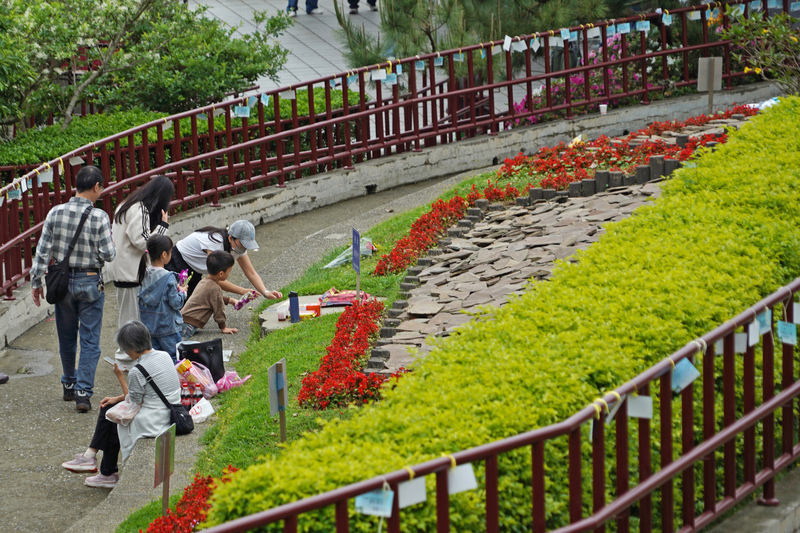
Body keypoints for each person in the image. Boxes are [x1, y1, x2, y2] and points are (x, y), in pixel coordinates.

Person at [30, 166, 116, 413]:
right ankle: (83, 393)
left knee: (66, 337)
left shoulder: (55, 212)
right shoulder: (99, 216)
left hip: (62, 284)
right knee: (90, 340)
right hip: (90, 282)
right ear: (97, 186)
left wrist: (36, 283)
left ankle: (68, 384)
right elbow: (109, 255)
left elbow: (42, 252)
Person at [61, 321, 181, 488]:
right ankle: (101, 466)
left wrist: (120, 376)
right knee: (110, 410)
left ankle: (100, 465)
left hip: (155, 419)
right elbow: (142, 394)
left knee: (110, 415)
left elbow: (133, 401)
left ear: (131, 348)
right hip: (169, 409)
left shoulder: (137, 371)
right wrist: (116, 399)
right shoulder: (164, 356)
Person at [104, 175, 174, 366]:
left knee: (128, 315)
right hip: (129, 271)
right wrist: (163, 226)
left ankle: (126, 354)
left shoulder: (127, 204)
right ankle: (126, 358)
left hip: (122, 268)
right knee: (131, 318)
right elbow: (143, 241)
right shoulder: (140, 209)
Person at [166, 220, 282, 302]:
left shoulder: (237, 247)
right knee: (175, 302)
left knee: (189, 309)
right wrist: (242, 291)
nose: (243, 249)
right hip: (178, 263)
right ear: (231, 237)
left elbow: (251, 272)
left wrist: (265, 292)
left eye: (247, 246)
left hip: (195, 270)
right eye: (242, 244)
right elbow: (216, 277)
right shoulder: (215, 243)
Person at [138, 235, 187, 362]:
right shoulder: (168, 277)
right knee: (174, 358)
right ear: (164, 254)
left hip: (149, 327)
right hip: (167, 327)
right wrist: (182, 293)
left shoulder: (144, 273)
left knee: (155, 359)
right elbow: (176, 303)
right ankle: (174, 382)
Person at [180, 251, 240, 339]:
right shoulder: (214, 287)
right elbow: (218, 309)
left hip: (183, 318)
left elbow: (213, 298)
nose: (229, 273)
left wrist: (230, 300)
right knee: (179, 341)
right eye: (229, 271)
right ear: (221, 274)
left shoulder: (204, 281)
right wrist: (223, 327)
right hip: (189, 324)